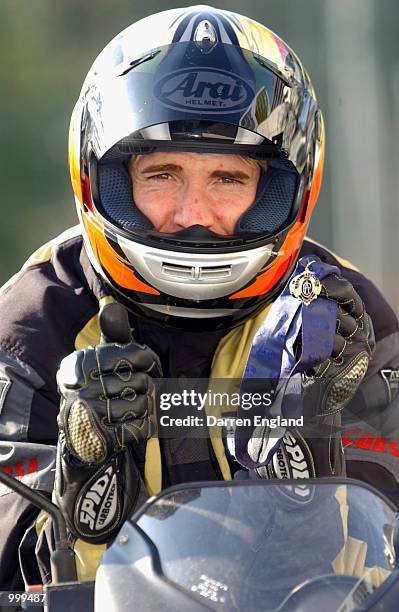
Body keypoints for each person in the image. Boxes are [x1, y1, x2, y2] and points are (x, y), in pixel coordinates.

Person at [0, 5, 398, 589]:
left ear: (286, 187)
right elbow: (11, 581)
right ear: (102, 178)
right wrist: (86, 485)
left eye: (228, 180)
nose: (193, 218)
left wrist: (302, 474)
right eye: (162, 175)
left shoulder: (339, 321)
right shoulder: (34, 321)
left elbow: (376, 580)